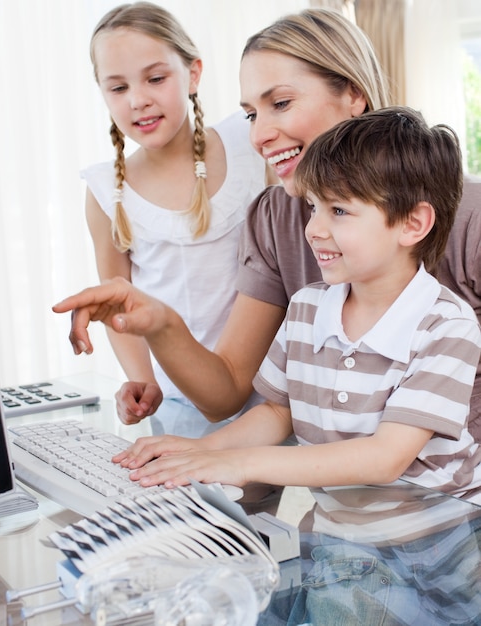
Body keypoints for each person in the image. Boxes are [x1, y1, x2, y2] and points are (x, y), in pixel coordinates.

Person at [54, 8, 480, 440]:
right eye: (251, 115)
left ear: (353, 93)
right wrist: (161, 323)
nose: (258, 136)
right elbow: (228, 394)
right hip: (347, 498)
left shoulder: (472, 218)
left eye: (280, 103)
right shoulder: (275, 218)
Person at [111, 106, 481, 506]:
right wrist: (201, 451)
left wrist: (240, 465)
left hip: (437, 547)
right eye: (312, 207)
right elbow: (276, 412)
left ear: (412, 224)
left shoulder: (447, 326)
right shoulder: (306, 308)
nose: (313, 230)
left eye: (338, 211)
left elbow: (384, 458)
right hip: (343, 536)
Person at [82, 2, 269, 435]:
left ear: (194, 73)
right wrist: (141, 378)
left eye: (156, 78)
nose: (139, 99)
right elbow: (118, 302)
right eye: (118, 87)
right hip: (181, 398)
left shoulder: (249, 139)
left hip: (275, 386)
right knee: (201, 503)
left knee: (259, 497)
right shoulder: (106, 192)